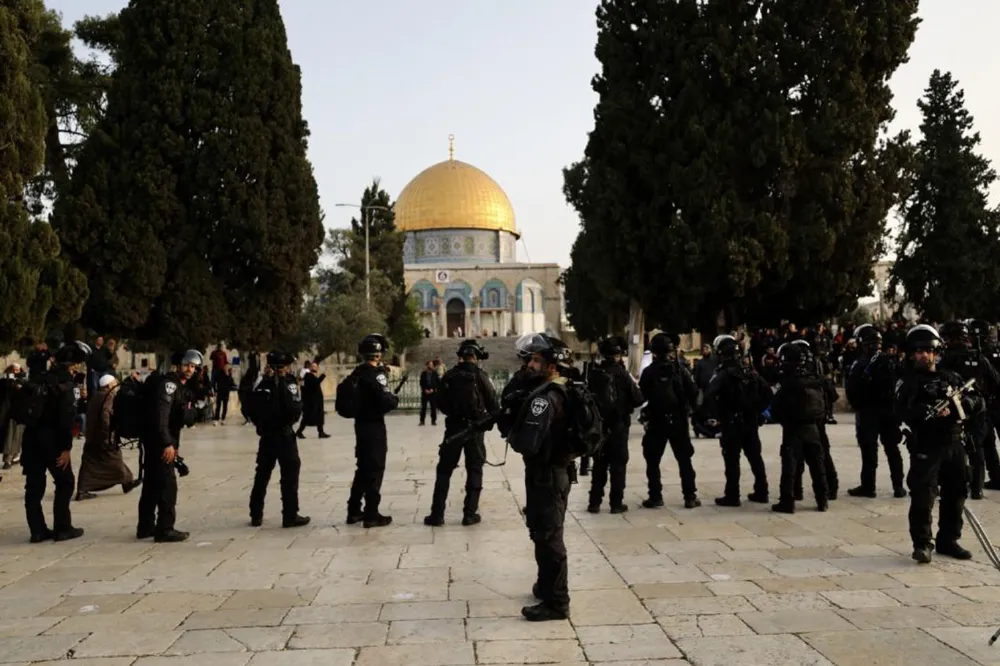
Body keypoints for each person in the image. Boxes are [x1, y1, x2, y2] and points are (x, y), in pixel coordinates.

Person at [895, 325, 982, 563]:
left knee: (956, 493)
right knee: (924, 496)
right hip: (927, 445)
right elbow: (899, 410)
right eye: (918, 351)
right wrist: (923, 411)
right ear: (911, 354)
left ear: (936, 352)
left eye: (928, 351)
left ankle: (948, 540)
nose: (923, 355)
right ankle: (922, 543)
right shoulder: (908, 382)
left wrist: (962, 405)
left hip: (954, 443)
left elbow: (977, 399)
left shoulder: (951, 377)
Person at [509, 334, 574, 622]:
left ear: (552, 366)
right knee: (543, 531)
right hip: (553, 472)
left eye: (536, 360)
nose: (530, 365)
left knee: (549, 537)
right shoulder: (561, 389)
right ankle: (546, 587)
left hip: (547, 475)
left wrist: (514, 431)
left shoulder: (545, 399)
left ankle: (557, 602)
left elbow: (528, 443)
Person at [20, 340, 90, 542]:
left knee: (34, 486)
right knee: (65, 481)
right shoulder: (67, 385)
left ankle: (37, 530)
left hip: (30, 438)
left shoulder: (39, 378)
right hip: (52, 440)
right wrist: (65, 448)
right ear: (73, 365)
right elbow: (66, 420)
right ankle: (63, 527)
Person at [425, 339, 499, 526]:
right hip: (475, 430)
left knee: (444, 471)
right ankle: (470, 513)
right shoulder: (481, 376)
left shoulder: (449, 375)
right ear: (477, 357)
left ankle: (437, 514)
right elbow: (493, 405)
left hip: (454, 429)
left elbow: (440, 402)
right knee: (474, 470)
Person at [137, 350, 201, 542]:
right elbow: (161, 417)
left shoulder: (179, 387)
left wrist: (175, 445)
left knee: (152, 483)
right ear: (177, 365)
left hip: (158, 440)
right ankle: (165, 528)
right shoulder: (169, 385)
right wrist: (167, 443)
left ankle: (145, 527)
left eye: (193, 366)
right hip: (159, 442)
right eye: (187, 365)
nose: (190, 369)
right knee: (167, 486)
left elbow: (176, 422)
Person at [703, 335, 770, 507]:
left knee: (732, 460)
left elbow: (709, 395)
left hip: (731, 423)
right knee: (755, 457)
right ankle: (762, 491)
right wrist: (758, 411)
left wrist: (715, 416)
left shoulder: (722, 374)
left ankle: (732, 495)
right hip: (750, 422)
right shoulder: (750, 372)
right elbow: (768, 393)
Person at [937, 320, 1000, 499]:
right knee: (979, 447)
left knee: (952, 448)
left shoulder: (946, 359)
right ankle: (977, 488)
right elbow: (996, 381)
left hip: (955, 410)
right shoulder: (978, 357)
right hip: (979, 408)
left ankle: (952, 484)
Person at [638, 332, 700, 509]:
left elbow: (640, 396)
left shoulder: (649, 372)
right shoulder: (680, 370)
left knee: (652, 460)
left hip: (656, 421)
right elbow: (693, 392)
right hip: (678, 420)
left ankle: (655, 496)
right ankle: (689, 496)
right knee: (684, 460)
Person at [248, 352, 310, 528]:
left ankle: (256, 514)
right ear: (285, 366)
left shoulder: (262, 384)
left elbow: (251, 408)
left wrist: (261, 426)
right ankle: (290, 515)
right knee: (289, 474)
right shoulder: (288, 383)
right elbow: (294, 409)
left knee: (262, 474)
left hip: (266, 436)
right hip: (283, 435)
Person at [846, 324, 905, 498]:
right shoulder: (890, 361)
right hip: (889, 412)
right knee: (892, 449)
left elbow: (851, 388)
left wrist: (857, 405)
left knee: (869, 450)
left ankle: (868, 486)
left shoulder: (861, 363)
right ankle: (898, 486)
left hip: (868, 413)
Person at [587, 336, 644, 513]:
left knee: (599, 464)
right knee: (618, 465)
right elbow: (638, 398)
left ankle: (594, 502)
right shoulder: (622, 374)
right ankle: (616, 503)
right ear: (618, 356)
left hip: (599, 426)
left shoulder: (593, 373)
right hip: (619, 425)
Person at [345, 334, 398, 528]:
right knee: (375, 469)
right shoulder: (376, 375)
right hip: (374, 426)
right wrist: (394, 398)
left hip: (360, 425)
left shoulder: (356, 374)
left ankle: (354, 509)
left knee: (363, 468)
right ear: (378, 355)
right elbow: (387, 401)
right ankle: (371, 513)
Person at [770, 342, 829, 514]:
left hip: (793, 428)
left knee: (790, 465)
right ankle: (822, 500)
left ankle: (787, 502)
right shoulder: (814, 379)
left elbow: (775, 407)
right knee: (817, 465)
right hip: (813, 427)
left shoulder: (786, 382)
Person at [76, 374, 139, 500]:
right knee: (114, 458)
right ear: (109, 385)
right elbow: (106, 414)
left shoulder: (96, 395)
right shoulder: (109, 396)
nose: (116, 385)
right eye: (114, 382)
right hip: (103, 436)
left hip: (92, 436)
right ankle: (126, 481)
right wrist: (109, 432)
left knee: (89, 462)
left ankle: (82, 490)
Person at [296, 361, 330, 439]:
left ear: (317, 368)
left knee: (320, 416)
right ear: (310, 368)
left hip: (317, 400)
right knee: (307, 417)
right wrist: (324, 375)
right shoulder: (308, 375)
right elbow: (315, 383)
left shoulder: (314, 376)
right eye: (313, 366)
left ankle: (321, 432)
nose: (314, 368)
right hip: (311, 401)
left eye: (315, 366)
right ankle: (299, 431)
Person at [419, 360, 439, 426]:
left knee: (433, 407)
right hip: (425, 393)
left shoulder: (435, 373)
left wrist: (433, 389)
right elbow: (421, 382)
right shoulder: (423, 373)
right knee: (423, 407)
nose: (430, 366)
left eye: (431, 364)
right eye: (429, 364)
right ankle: (422, 421)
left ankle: (433, 421)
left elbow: (438, 383)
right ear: (427, 365)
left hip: (433, 393)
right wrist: (424, 389)